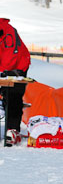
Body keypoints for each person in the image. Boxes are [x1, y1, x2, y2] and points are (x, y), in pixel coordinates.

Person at [0, 18, 31, 146]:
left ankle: (12, 131)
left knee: (13, 97)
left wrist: (2, 72)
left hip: (18, 67)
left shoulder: (8, 32)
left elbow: (10, 58)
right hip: (4, 68)